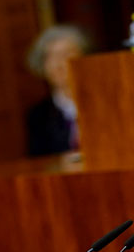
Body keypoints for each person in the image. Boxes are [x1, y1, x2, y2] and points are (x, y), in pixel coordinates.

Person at [25, 25, 88, 157]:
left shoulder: (105, 104)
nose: (59, 63)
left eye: (66, 54)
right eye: (51, 56)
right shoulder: (39, 115)